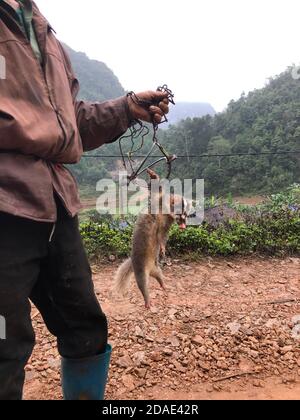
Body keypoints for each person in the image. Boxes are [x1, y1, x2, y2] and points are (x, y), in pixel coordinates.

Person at [0, 0, 169, 400]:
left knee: (85, 328)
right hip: (4, 206)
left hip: (55, 203)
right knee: (4, 344)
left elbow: (69, 121)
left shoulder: (43, 31)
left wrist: (127, 109)